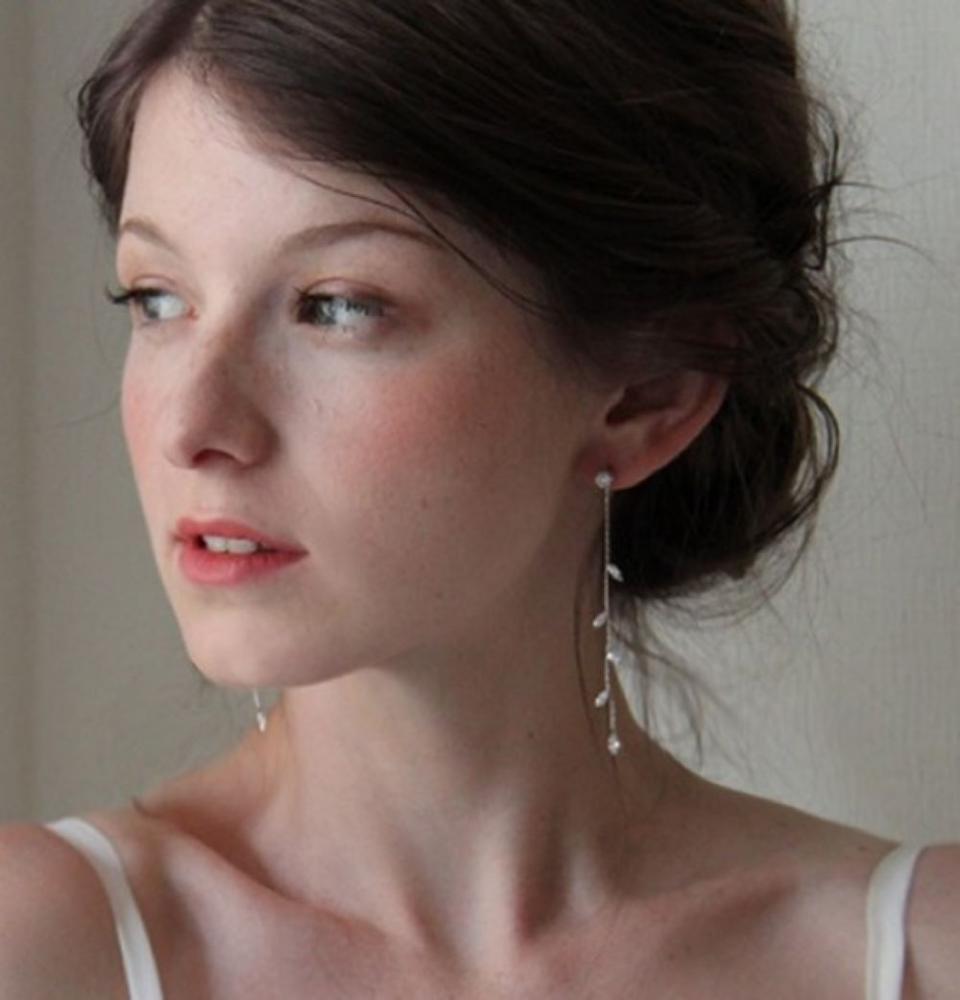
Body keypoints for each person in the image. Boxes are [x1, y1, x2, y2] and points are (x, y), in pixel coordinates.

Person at [1, 0, 957, 997]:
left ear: (649, 396)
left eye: (336, 306)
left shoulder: (922, 957)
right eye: (157, 298)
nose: (191, 425)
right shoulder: (39, 950)